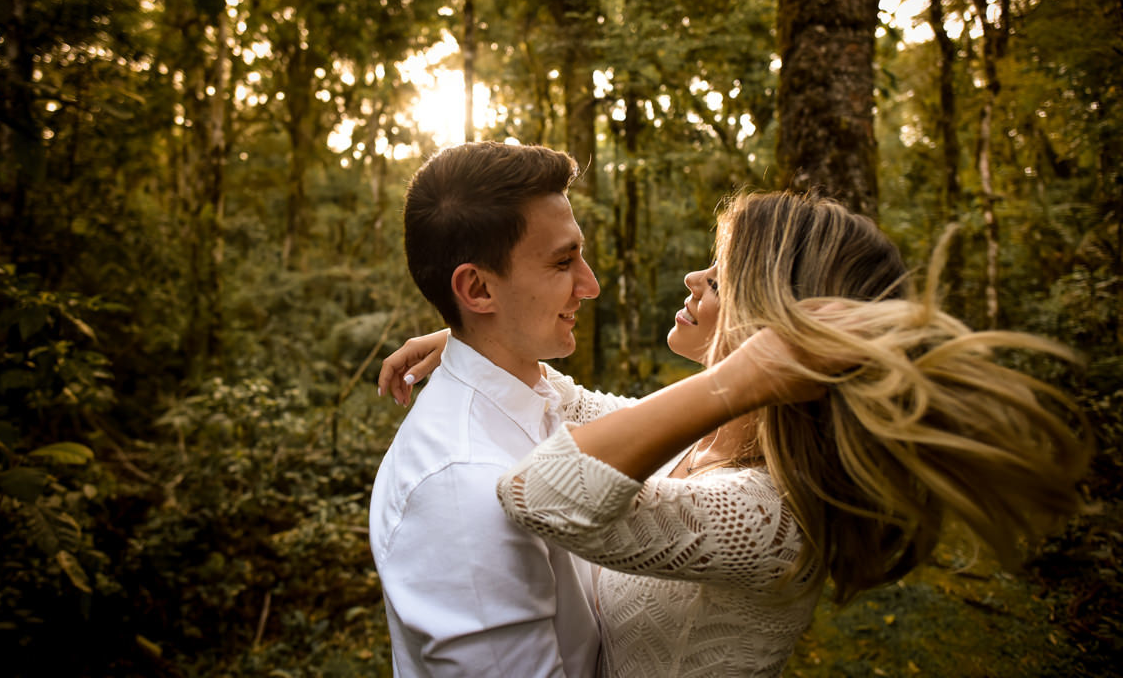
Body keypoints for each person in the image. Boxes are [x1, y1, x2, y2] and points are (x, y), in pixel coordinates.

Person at [380, 190, 1090, 677]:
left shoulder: (767, 513)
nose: (694, 278)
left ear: (769, 323)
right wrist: (478, 329)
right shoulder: (712, 442)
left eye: (719, 276)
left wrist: (736, 380)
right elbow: (575, 404)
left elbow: (541, 495)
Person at [368, 141, 609, 677]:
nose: (589, 285)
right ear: (477, 288)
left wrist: (468, 336)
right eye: (564, 262)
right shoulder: (463, 488)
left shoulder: (535, 398)